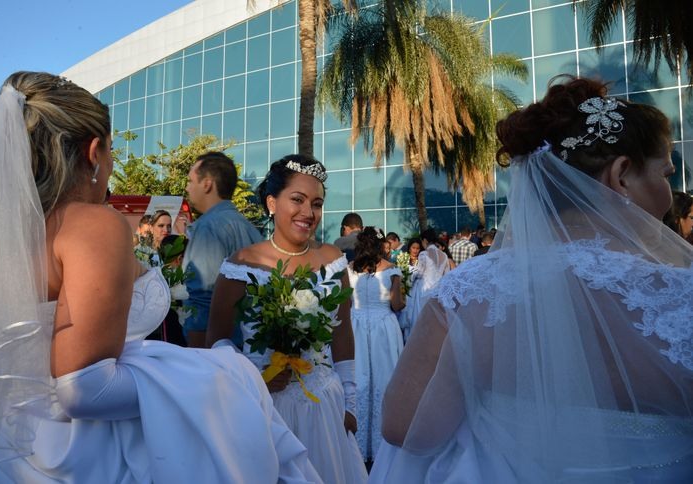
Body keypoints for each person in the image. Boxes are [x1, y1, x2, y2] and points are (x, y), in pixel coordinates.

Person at [0, 72, 320, 483]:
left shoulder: (2, 234)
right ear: (93, 151)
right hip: (94, 448)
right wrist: (218, 375)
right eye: (112, 151)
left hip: (10, 441)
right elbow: (84, 389)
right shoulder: (93, 224)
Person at [370, 76, 693, 482]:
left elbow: (406, 430)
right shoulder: (684, 295)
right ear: (622, 174)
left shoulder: (468, 291)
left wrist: (472, 357)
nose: (669, 192)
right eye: (665, 173)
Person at [207, 155, 368, 484]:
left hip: (323, 406)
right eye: (297, 200)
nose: (308, 213)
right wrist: (254, 380)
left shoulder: (333, 260)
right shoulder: (241, 264)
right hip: (266, 407)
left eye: (317, 203)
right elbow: (217, 341)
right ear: (271, 202)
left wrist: (349, 401)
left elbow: (342, 333)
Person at [182, 151, 262, 348]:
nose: (187, 188)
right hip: (249, 349)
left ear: (207, 184)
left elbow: (203, 298)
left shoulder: (207, 227)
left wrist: (198, 356)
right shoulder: (249, 228)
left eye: (191, 181)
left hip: (217, 353)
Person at [347, 227, 405, 464]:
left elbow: (347, 301)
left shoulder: (350, 270)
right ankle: (383, 448)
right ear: (381, 245)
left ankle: (357, 445)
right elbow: (398, 304)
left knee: (359, 381)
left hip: (357, 325)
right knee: (384, 380)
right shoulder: (391, 270)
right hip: (383, 327)